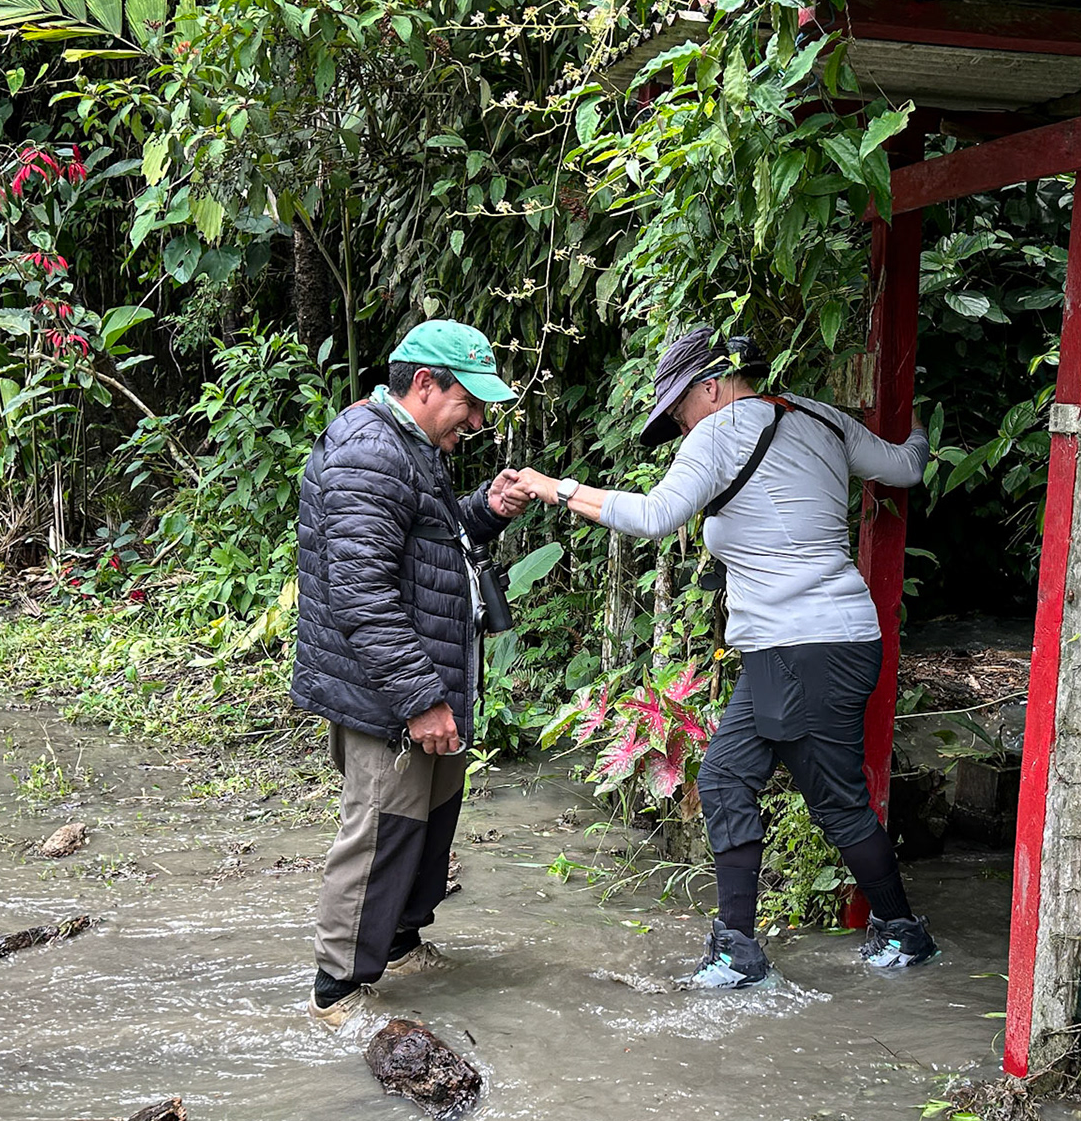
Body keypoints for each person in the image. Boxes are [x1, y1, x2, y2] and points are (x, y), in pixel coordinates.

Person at [513, 327, 935, 988]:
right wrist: (920, 426)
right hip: (812, 644)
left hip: (803, 647)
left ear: (711, 386)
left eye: (681, 412)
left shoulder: (721, 428)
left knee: (835, 800)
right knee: (725, 779)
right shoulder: (818, 416)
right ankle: (738, 949)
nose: (684, 430)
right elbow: (906, 466)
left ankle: (905, 935)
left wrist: (555, 489)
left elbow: (655, 516)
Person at [292, 319, 535, 1027]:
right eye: (471, 402)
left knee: (428, 819)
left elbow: (424, 542)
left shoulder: (409, 444)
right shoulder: (369, 452)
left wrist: (484, 511)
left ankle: (399, 947)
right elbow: (361, 591)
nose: (479, 420)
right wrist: (421, 700)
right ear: (424, 385)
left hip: (424, 679)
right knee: (381, 830)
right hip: (389, 693)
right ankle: (337, 992)